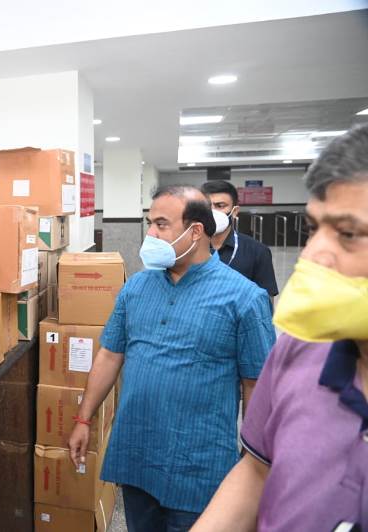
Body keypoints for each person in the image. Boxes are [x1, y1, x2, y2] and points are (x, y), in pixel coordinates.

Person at [67, 185, 276, 532]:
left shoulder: (244, 298)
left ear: (196, 231)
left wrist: (253, 461)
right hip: (136, 453)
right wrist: (83, 419)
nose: (150, 234)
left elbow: (256, 384)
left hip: (199, 466)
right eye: (149, 223)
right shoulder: (136, 288)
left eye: (161, 224)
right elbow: (109, 355)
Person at [192, 124, 368, 531]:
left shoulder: (252, 258)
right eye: (313, 229)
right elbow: (257, 471)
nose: (311, 254)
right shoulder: (296, 351)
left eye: (348, 234)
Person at [200, 180, 279, 301]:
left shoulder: (257, 252)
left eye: (220, 206)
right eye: (206, 206)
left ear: (235, 211)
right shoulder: (188, 248)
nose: (212, 212)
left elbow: (266, 301)